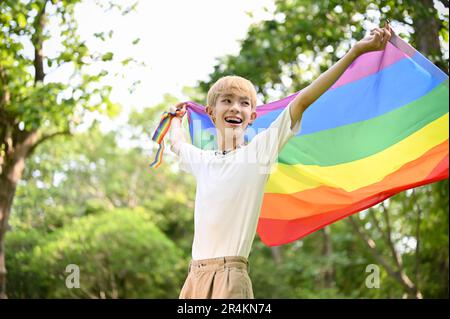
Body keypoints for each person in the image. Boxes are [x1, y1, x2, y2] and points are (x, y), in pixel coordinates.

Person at [169, 23, 392, 299]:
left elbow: (302, 101)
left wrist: (355, 52)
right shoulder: (203, 161)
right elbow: (178, 144)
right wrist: (176, 119)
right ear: (211, 112)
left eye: (244, 103)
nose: (235, 107)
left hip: (231, 278)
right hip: (194, 278)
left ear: (252, 117)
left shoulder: (258, 152)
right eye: (227, 101)